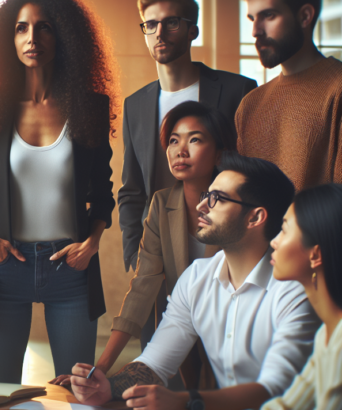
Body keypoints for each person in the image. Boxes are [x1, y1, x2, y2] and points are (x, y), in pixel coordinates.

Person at [71, 153, 321, 410]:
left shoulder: (295, 289)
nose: (202, 206)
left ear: (255, 218)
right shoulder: (196, 277)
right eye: (206, 196)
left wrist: (185, 400)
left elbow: (277, 387)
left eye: (217, 199)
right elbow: (155, 363)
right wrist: (107, 388)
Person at [0, 0, 118, 383]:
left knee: (76, 393)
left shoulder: (91, 108)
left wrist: (92, 243)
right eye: (21, 28)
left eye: (44, 27)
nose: (32, 38)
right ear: (7, 38)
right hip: (4, 265)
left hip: (70, 266)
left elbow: (102, 193)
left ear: (64, 34)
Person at [97, 102, 235, 389]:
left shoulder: (236, 206)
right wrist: (101, 367)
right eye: (174, 140)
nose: (180, 150)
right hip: (180, 333)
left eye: (194, 139)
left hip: (231, 335)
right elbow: (143, 285)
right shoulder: (161, 203)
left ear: (220, 153)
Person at [119, 0, 256, 272]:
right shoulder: (134, 105)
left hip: (223, 243)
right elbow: (132, 189)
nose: (159, 32)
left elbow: (251, 175)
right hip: (157, 246)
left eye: (171, 22)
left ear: (192, 30)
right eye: (150, 24)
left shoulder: (238, 90)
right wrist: (133, 253)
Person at [237, 0, 342, 191]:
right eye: (252, 19)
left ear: (304, 17)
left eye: (269, 16)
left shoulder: (337, 88)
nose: (255, 31)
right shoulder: (249, 104)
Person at [262, 183, 342, 409]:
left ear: (315, 254)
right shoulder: (325, 335)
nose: (273, 241)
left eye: (285, 230)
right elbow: (288, 405)